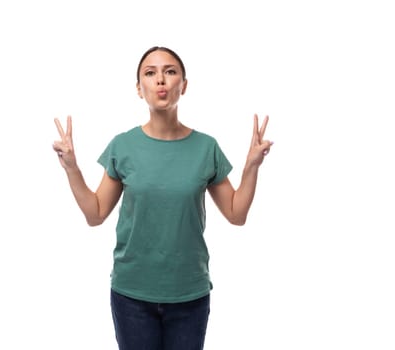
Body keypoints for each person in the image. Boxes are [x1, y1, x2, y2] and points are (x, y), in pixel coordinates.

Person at [52, 46, 273, 350]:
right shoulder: (123, 146)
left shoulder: (206, 148)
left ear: (183, 85)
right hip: (132, 295)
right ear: (138, 89)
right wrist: (71, 168)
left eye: (170, 72)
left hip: (189, 296)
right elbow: (96, 213)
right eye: (150, 72)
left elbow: (237, 214)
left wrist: (251, 166)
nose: (161, 80)